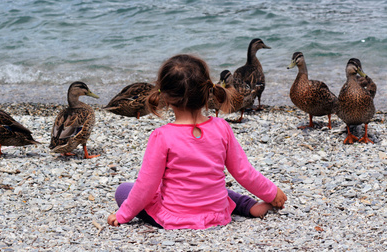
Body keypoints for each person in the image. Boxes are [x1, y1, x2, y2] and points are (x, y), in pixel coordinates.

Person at [107, 54, 287, 230]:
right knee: (211, 184)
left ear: (166, 96)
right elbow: (244, 172)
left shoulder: (161, 136)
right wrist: (272, 192)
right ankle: (248, 206)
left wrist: (123, 215)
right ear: (207, 91)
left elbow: (146, 187)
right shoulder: (222, 127)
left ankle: (244, 206)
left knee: (123, 190)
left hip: (176, 218)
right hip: (217, 213)